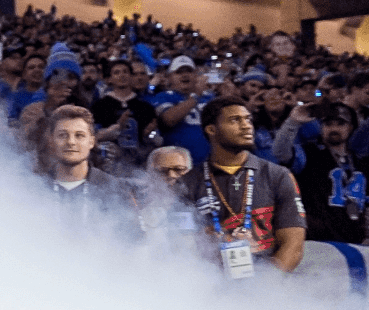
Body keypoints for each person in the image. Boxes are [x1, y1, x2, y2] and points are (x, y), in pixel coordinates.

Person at [176, 96, 306, 274]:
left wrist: (265, 285)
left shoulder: (278, 175)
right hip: (208, 285)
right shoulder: (187, 183)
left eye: (248, 119)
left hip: (268, 285)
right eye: (235, 120)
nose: (246, 126)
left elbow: (293, 244)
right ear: (212, 129)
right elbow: (181, 245)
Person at [270, 101, 367, 244]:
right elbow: (280, 152)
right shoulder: (310, 154)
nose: (334, 128)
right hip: (319, 243)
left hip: (356, 242)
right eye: (328, 124)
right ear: (321, 128)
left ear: (351, 128)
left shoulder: (362, 162)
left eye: (340, 124)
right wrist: (293, 122)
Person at [40, 104, 137, 232]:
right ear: (51, 141)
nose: (71, 142)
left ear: (91, 141)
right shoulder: (34, 187)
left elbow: (134, 240)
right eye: (62, 135)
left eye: (79, 135)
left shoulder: (115, 189)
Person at [153, 55, 215, 163]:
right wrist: (195, 96)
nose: (185, 75)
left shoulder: (209, 98)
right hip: (178, 165)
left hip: (212, 165)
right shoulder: (163, 97)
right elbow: (169, 120)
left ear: (195, 75)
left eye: (189, 71)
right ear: (169, 77)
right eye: (179, 72)